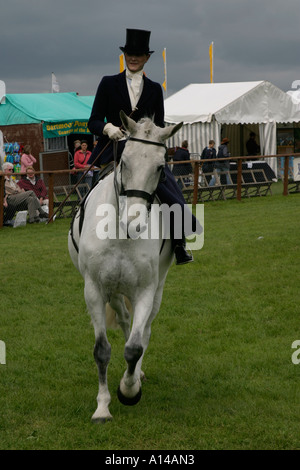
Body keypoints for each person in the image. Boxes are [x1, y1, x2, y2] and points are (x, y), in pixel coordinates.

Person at [88, 28, 198, 264]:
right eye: (130, 53)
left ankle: (179, 243)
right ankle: (80, 234)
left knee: (170, 189)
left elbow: (158, 127)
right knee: (93, 192)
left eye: (138, 54)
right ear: (124, 55)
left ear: (147, 57)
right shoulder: (108, 84)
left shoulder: (155, 89)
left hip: (144, 153)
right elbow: (93, 120)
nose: (133, 58)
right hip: (113, 149)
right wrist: (109, 129)